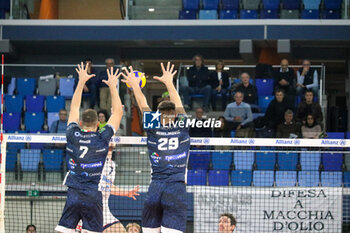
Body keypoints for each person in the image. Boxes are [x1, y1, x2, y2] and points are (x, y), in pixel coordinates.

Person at [55, 62, 123, 233]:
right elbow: (117, 113)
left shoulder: (72, 134)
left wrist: (80, 82)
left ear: (80, 123)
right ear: (98, 123)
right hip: (93, 195)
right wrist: (113, 86)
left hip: (74, 194)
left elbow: (74, 108)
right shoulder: (102, 138)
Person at [122, 62, 190, 233]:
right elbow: (179, 105)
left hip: (156, 188)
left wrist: (135, 87)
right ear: (175, 116)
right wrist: (169, 82)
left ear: (157, 116)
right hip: (176, 187)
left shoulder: (153, 128)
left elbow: (142, 103)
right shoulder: (182, 128)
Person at [75, 146, 140, 233]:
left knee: (120, 230)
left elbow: (108, 185)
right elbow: (100, 186)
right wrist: (124, 192)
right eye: (111, 135)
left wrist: (126, 192)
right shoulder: (96, 161)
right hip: (90, 210)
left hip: (104, 211)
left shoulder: (112, 165)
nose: (113, 138)